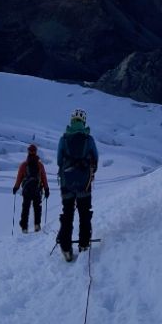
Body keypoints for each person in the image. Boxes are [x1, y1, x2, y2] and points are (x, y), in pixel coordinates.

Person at [56, 108, 99, 261]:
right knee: (84, 213)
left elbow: (59, 161)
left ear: (71, 121)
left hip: (67, 183)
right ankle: (84, 245)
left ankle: (66, 249)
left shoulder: (64, 139)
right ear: (83, 122)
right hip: (84, 183)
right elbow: (95, 158)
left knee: (67, 214)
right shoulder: (89, 139)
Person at [12, 144, 50, 232]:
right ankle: (37, 225)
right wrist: (46, 189)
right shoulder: (40, 165)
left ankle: (24, 227)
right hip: (37, 190)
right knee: (37, 208)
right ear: (36, 152)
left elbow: (19, 177)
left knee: (25, 208)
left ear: (28, 152)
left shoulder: (24, 165)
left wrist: (16, 187)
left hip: (26, 190)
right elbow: (44, 177)